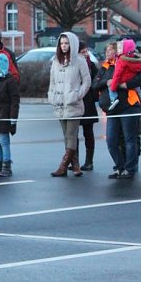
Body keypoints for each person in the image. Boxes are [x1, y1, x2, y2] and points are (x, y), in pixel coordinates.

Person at [47, 32, 91, 177]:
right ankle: (76, 166)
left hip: (73, 104)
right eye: (62, 43)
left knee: (71, 136)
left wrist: (77, 95)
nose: (64, 46)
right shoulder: (56, 60)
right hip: (59, 104)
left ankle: (63, 166)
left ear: (72, 44)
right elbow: (52, 81)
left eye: (66, 43)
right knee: (67, 136)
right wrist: (52, 95)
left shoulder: (79, 60)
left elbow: (87, 81)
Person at [102, 39, 141, 180]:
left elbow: (140, 78)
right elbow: (97, 83)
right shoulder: (108, 65)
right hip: (113, 108)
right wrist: (107, 82)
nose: (112, 51)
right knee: (111, 140)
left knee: (129, 139)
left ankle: (130, 168)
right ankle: (120, 167)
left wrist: (124, 85)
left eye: (118, 47)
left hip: (129, 105)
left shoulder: (133, 61)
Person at [107, 38, 141, 112]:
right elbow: (140, 70)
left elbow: (117, 74)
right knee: (139, 92)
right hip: (131, 80)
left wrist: (113, 86)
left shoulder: (121, 60)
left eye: (120, 48)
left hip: (122, 80)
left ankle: (113, 99)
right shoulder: (135, 60)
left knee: (110, 85)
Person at [77, 41, 99, 171]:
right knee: (73, 134)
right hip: (76, 101)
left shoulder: (92, 66)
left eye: (86, 51)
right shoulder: (73, 64)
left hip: (88, 102)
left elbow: (96, 82)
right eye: (82, 52)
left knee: (88, 133)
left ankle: (89, 161)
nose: (85, 54)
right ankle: (74, 161)